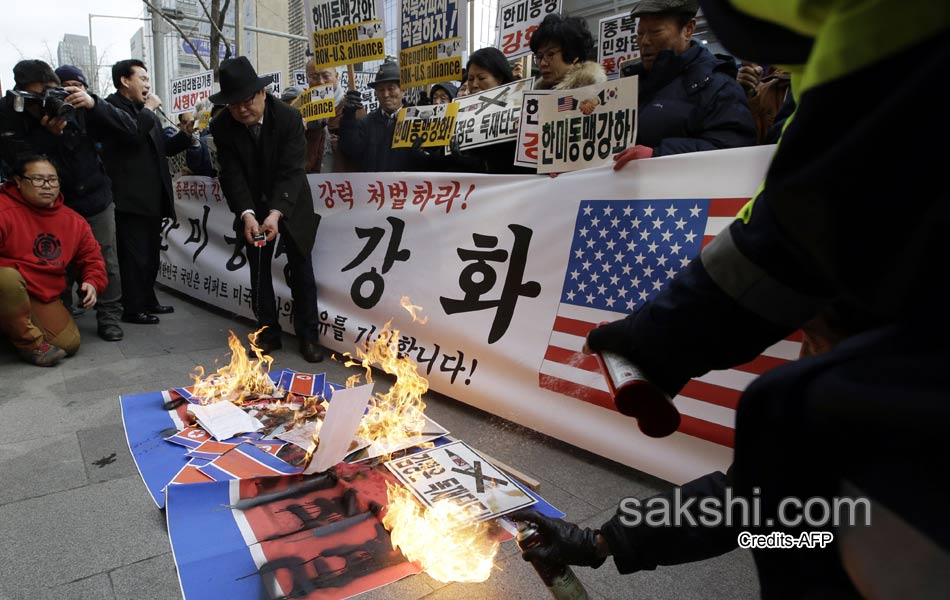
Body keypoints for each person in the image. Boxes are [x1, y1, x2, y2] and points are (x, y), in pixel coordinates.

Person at [511, 1, 948, 598]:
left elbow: (791, 234)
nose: (802, 345)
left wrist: (661, 339)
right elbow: (767, 520)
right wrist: (604, 541)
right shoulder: (834, 497)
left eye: (812, 332)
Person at [0, 61, 136, 342]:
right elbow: (18, 161)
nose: (45, 104)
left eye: (51, 94)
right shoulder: (14, 112)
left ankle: (108, 315)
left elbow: (129, 129)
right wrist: (47, 136)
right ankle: (59, 312)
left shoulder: (79, 106)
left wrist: (94, 104)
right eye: (37, 98)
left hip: (96, 197)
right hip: (52, 205)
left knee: (106, 258)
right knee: (52, 259)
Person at [209, 56, 323, 363]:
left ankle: (309, 336)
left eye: (247, 101)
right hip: (252, 206)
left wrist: (276, 213)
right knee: (259, 272)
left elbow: (292, 171)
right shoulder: (221, 126)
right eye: (234, 104)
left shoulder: (287, 117)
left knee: (301, 269)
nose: (242, 110)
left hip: (291, 200)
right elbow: (231, 174)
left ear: (262, 93)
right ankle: (267, 333)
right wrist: (247, 213)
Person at [98, 59, 191, 325]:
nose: (148, 85)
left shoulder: (143, 111)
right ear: (125, 81)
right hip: (129, 199)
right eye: (143, 79)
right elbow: (132, 136)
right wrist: (149, 110)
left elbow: (164, 149)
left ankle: (148, 300)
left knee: (150, 256)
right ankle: (132, 307)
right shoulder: (111, 108)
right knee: (134, 258)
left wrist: (185, 133)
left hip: (153, 198)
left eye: (148, 80)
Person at [612, 0, 755, 169]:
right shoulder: (629, 86)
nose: (644, 41)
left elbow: (734, 151)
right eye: (640, 33)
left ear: (688, 30)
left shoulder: (719, 87)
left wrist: (658, 155)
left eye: (655, 32)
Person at [0, 155, 107, 366]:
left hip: (40, 294)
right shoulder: (3, 209)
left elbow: (92, 258)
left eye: (52, 180)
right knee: (7, 278)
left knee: (68, 343)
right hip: (8, 287)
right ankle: (30, 345)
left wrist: (92, 282)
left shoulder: (73, 220)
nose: (47, 186)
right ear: (19, 182)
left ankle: (11, 328)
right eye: (38, 179)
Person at [338, 61, 418, 173]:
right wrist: (348, 117)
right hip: (374, 189)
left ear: (403, 90)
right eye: (381, 90)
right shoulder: (365, 123)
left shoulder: (417, 121)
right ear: (375, 93)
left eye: (391, 88)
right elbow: (350, 150)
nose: (385, 94)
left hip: (406, 189)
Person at [303, 60, 364, 173]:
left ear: (337, 76)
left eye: (326, 76)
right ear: (307, 79)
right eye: (314, 77)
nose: (321, 82)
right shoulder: (301, 111)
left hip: (341, 184)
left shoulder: (353, 108)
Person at [529, 13, 607, 90]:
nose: (543, 63)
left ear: (573, 55)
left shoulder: (596, 92)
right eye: (539, 56)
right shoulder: (535, 94)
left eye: (550, 54)